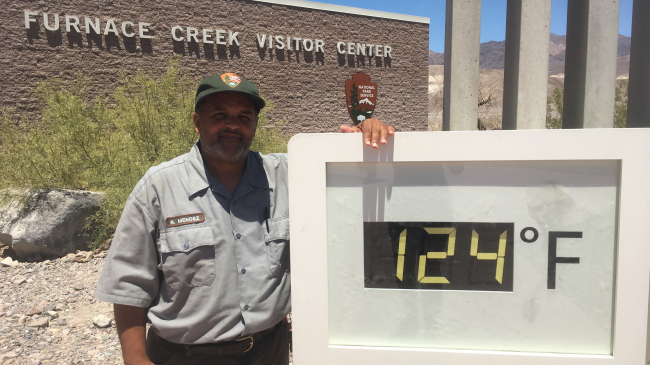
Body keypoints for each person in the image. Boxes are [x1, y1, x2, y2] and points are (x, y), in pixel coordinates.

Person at [94, 73, 395, 365]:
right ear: (198, 122)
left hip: (268, 351)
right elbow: (128, 285)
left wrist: (364, 133)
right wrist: (136, 360)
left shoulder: (291, 175)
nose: (232, 125)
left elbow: (349, 176)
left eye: (243, 117)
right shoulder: (158, 187)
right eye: (220, 115)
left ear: (254, 125)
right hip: (183, 356)